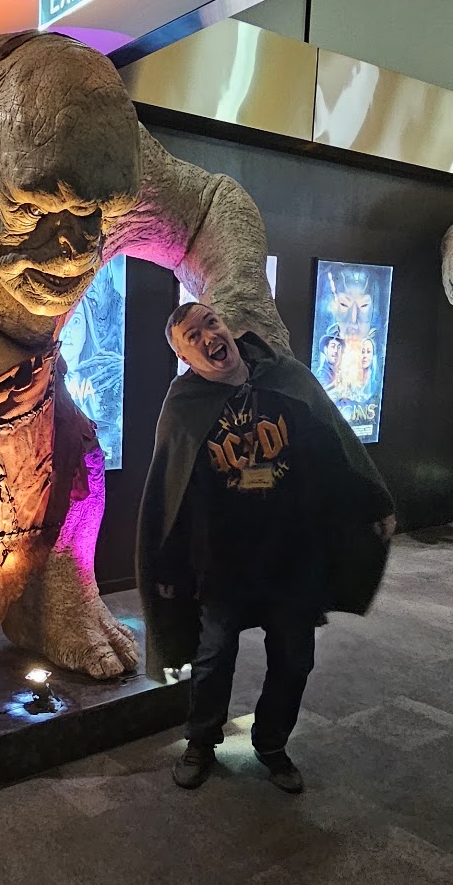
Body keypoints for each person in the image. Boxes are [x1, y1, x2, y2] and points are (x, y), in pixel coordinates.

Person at [137, 302, 396, 794]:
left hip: (290, 553)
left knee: (294, 658)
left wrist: (373, 503)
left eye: (211, 323)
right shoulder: (185, 404)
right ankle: (201, 741)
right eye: (192, 337)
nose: (208, 336)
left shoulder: (286, 378)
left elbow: (333, 448)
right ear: (185, 358)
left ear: (226, 327)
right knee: (213, 658)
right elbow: (172, 493)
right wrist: (168, 565)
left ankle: (271, 743)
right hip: (222, 562)